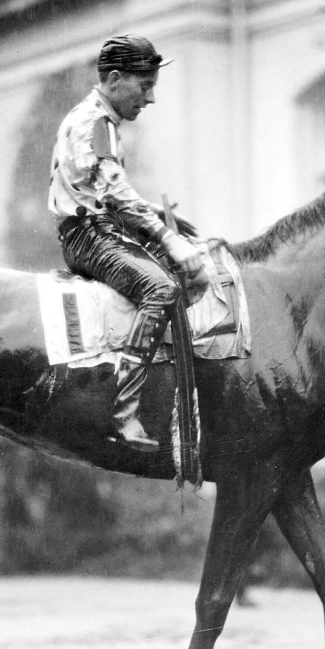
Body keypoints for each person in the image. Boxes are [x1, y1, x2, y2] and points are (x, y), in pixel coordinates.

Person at [48, 33, 207, 451]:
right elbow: (114, 192)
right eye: (145, 85)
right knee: (162, 288)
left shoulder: (96, 120)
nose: (150, 98)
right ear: (115, 79)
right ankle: (124, 412)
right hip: (92, 237)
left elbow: (99, 189)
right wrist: (168, 239)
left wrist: (154, 213)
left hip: (96, 229)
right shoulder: (99, 124)